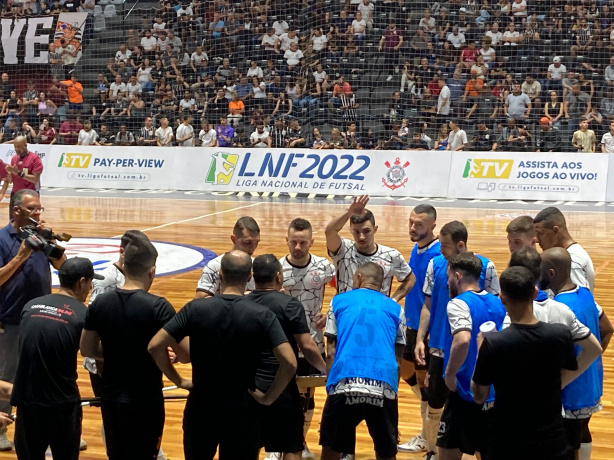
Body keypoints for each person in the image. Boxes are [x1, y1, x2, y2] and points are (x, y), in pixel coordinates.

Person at [148, 250, 297, 460]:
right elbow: (289, 362)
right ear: (249, 277)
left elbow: (155, 345)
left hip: (201, 407)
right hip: (243, 411)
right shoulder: (261, 314)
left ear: (219, 274)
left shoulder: (195, 309)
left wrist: (179, 380)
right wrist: (268, 397)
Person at [80, 236, 183, 460]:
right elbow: (185, 353)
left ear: (124, 265)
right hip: (145, 399)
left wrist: (118, 351)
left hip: (111, 397)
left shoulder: (100, 303)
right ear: (152, 270)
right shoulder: (159, 306)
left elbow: (87, 349)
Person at [471, 267, 580, 460]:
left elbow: (479, 396)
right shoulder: (560, 335)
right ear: (535, 293)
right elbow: (567, 371)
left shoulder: (494, 344)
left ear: (502, 298)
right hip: (552, 442)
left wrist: (481, 352)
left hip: (508, 444)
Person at [414, 220, 500, 459]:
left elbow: (490, 310)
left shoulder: (487, 267)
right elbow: (428, 306)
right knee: (435, 402)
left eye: (444, 245)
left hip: (471, 357)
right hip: (440, 348)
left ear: (460, 244)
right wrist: (421, 338)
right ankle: (431, 448)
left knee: (467, 411)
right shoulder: (435, 264)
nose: (440, 249)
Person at [11, 258, 102, 460]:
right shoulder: (83, 315)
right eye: (89, 282)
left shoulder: (30, 306)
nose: (89, 288)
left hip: (28, 402)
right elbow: (95, 351)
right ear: (81, 282)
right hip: (61, 404)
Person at [0, 189, 66, 451]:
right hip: (11, 320)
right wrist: (20, 256)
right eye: (33, 209)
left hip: (44, 319)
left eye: (40, 209)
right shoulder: (2, 239)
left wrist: (52, 241)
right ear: (17, 210)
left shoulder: (40, 236)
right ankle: (1, 429)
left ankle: (55, 431)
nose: (38, 213)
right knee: (7, 375)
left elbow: (63, 266)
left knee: (47, 375)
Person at [320, 262, 405, 460]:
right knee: (386, 453)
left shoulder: (338, 302)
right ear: (381, 283)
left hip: (345, 383)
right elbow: (398, 359)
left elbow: (331, 350)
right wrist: (392, 398)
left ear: (358, 277)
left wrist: (331, 394)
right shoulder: (396, 309)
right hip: (382, 385)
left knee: (331, 449)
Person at [248, 254, 326, 460]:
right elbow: (307, 346)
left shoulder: (241, 303)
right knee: (291, 446)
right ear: (278, 276)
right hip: (282, 388)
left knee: (248, 446)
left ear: (253, 276)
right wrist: (327, 369)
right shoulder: (289, 304)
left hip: (250, 388)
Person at [540, 248, 613, 460]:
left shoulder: (560, 308)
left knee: (566, 449)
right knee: (580, 435)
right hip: (592, 387)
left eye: (541, 271)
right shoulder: (586, 295)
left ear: (552, 273)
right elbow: (607, 329)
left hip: (572, 393)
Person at [438, 253, 506, 460]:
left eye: (449, 276)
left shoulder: (458, 303)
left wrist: (449, 375)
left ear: (457, 276)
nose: (448, 281)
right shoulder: (498, 303)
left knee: (447, 452)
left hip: (464, 390)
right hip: (493, 392)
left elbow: (463, 340)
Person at [279, 218, 335, 459]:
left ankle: (299, 443)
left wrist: (331, 312)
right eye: (294, 242)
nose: (298, 247)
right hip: (283, 342)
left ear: (312, 241)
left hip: (313, 341)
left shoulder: (324, 267)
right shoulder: (277, 268)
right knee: (282, 394)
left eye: (303, 242)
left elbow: (343, 290)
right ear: (287, 241)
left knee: (307, 396)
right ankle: (278, 444)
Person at [398, 205, 440, 454]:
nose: (413, 228)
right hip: (410, 324)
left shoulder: (437, 255)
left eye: (419, 225)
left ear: (433, 225)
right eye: (411, 222)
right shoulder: (416, 247)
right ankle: (433, 414)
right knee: (406, 372)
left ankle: (428, 435)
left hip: (426, 329)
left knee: (426, 383)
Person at [324, 195, 415, 299]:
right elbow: (330, 232)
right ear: (351, 230)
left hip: (375, 314)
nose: (361, 237)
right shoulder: (343, 249)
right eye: (356, 232)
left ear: (375, 229)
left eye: (366, 231)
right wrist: (349, 213)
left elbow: (410, 279)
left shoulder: (391, 255)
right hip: (344, 313)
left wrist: (393, 301)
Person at [533, 207, 595, 292]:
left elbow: (576, 302)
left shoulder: (572, 261)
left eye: (540, 234)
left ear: (555, 231)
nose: (536, 240)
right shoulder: (570, 255)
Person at [195, 216, 260, 298]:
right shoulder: (215, 266)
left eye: (256, 243)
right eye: (247, 242)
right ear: (233, 239)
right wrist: (239, 298)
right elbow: (200, 299)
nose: (252, 248)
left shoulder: (257, 266)